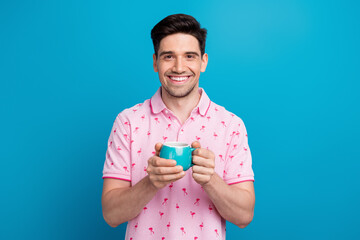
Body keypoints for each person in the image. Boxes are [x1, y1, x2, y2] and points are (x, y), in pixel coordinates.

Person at [101, 13, 255, 239]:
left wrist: (210, 179)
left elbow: (244, 216)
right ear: (155, 62)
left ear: (203, 62)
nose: (179, 67)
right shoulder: (128, 122)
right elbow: (111, 215)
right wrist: (150, 183)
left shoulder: (231, 125)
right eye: (168, 57)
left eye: (190, 56)